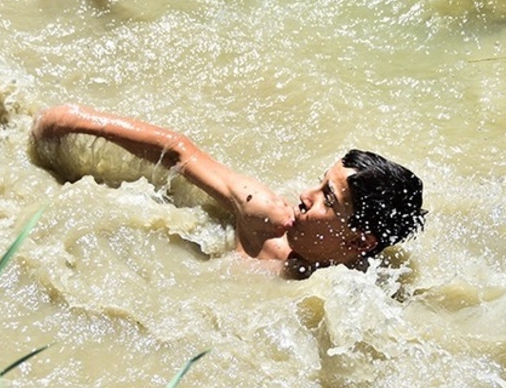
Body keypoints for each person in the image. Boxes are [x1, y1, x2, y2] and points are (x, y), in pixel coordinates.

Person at [31, 104, 426, 277]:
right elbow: (180, 152)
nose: (305, 194)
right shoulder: (266, 218)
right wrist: (76, 121)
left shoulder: (365, 296)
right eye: (321, 182)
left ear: (360, 243)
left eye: (327, 198)